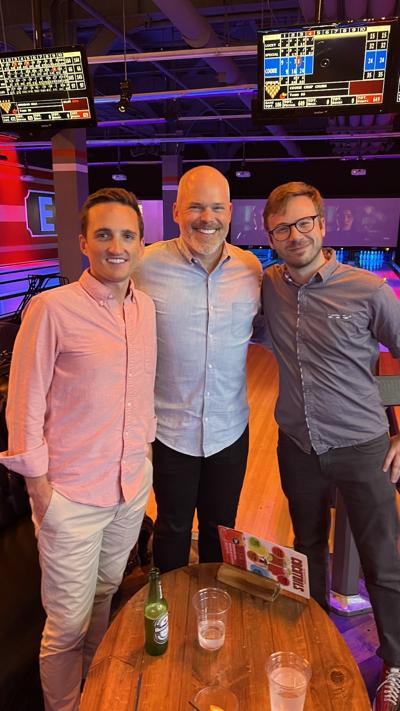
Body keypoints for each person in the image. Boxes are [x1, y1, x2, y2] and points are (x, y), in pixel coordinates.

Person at [0, 187, 157, 711]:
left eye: (128, 235)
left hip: (129, 487)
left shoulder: (145, 309)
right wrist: (42, 492)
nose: (117, 245)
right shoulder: (51, 309)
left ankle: (94, 688)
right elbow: (22, 407)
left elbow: (141, 392)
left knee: (105, 594)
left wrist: (145, 454)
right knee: (66, 625)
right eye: (104, 234)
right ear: (84, 242)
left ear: (141, 244)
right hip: (71, 496)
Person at [259, 180, 400, 711]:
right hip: (298, 446)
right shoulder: (269, 285)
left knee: (381, 561)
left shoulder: (368, 289)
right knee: (308, 548)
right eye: (282, 229)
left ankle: (396, 664)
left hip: (363, 446)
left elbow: (397, 356)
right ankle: (314, 636)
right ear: (271, 237)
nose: (294, 235)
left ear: (321, 225)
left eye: (302, 223)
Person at [134, 165, 262, 572]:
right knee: (172, 527)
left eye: (217, 208)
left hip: (230, 429)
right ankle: (168, 603)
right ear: (176, 212)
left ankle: (214, 598)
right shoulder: (144, 266)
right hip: (171, 430)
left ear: (230, 212)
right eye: (195, 207)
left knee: (220, 529)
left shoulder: (251, 269)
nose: (207, 218)